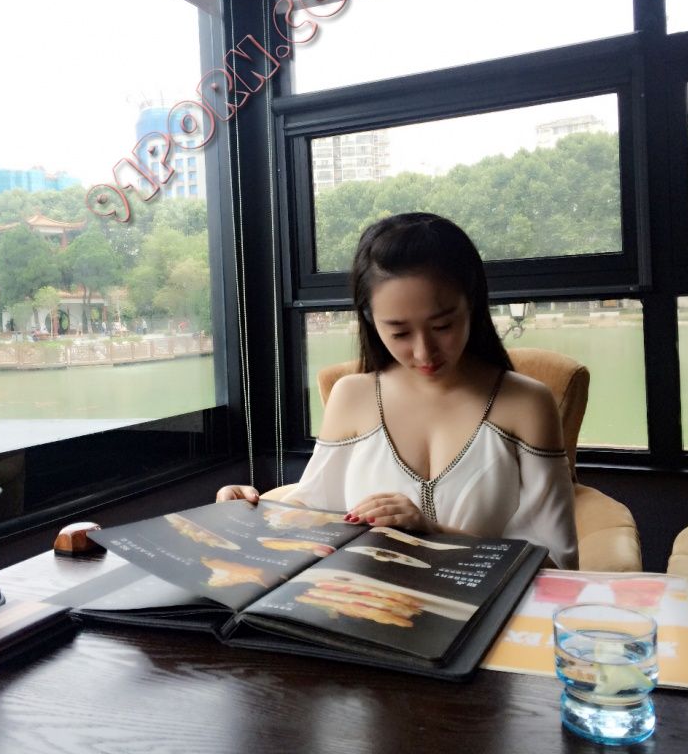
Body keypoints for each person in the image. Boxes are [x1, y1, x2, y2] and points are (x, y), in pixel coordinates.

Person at [217, 212, 578, 569]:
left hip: (488, 606)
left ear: (472, 302)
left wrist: (433, 533)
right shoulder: (352, 396)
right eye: (400, 332)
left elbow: (558, 564)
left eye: (442, 326)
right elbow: (313, 508)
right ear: (370, 320)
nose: (424, 352)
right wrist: (248, 512)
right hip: (361, 600)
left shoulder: (526, 404)